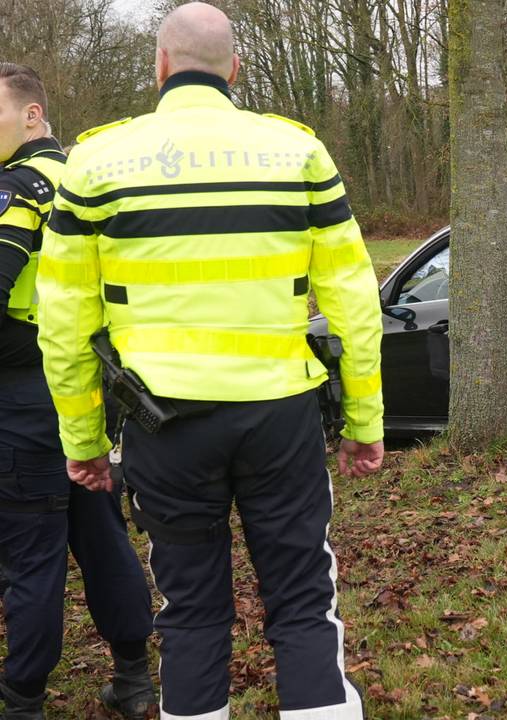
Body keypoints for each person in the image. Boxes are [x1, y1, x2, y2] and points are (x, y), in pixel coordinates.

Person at [36, 4, 386, 718]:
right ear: (236, 69)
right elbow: (354, 300)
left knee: (191, 610)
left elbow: (64, 322)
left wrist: (83, 439)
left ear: (160, 65)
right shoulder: (298, 152)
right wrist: (365, 420)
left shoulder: (95, 162)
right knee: (303, 602)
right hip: (280, 415)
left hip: (164, 425)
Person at [0, 63, 155, 720]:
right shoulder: (88, 179)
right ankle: (134, 677)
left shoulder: (19, 188)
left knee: (32, 552)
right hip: (91, 389)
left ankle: (23, 698)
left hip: (25, 396)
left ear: (32, 114)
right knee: (101, 534)